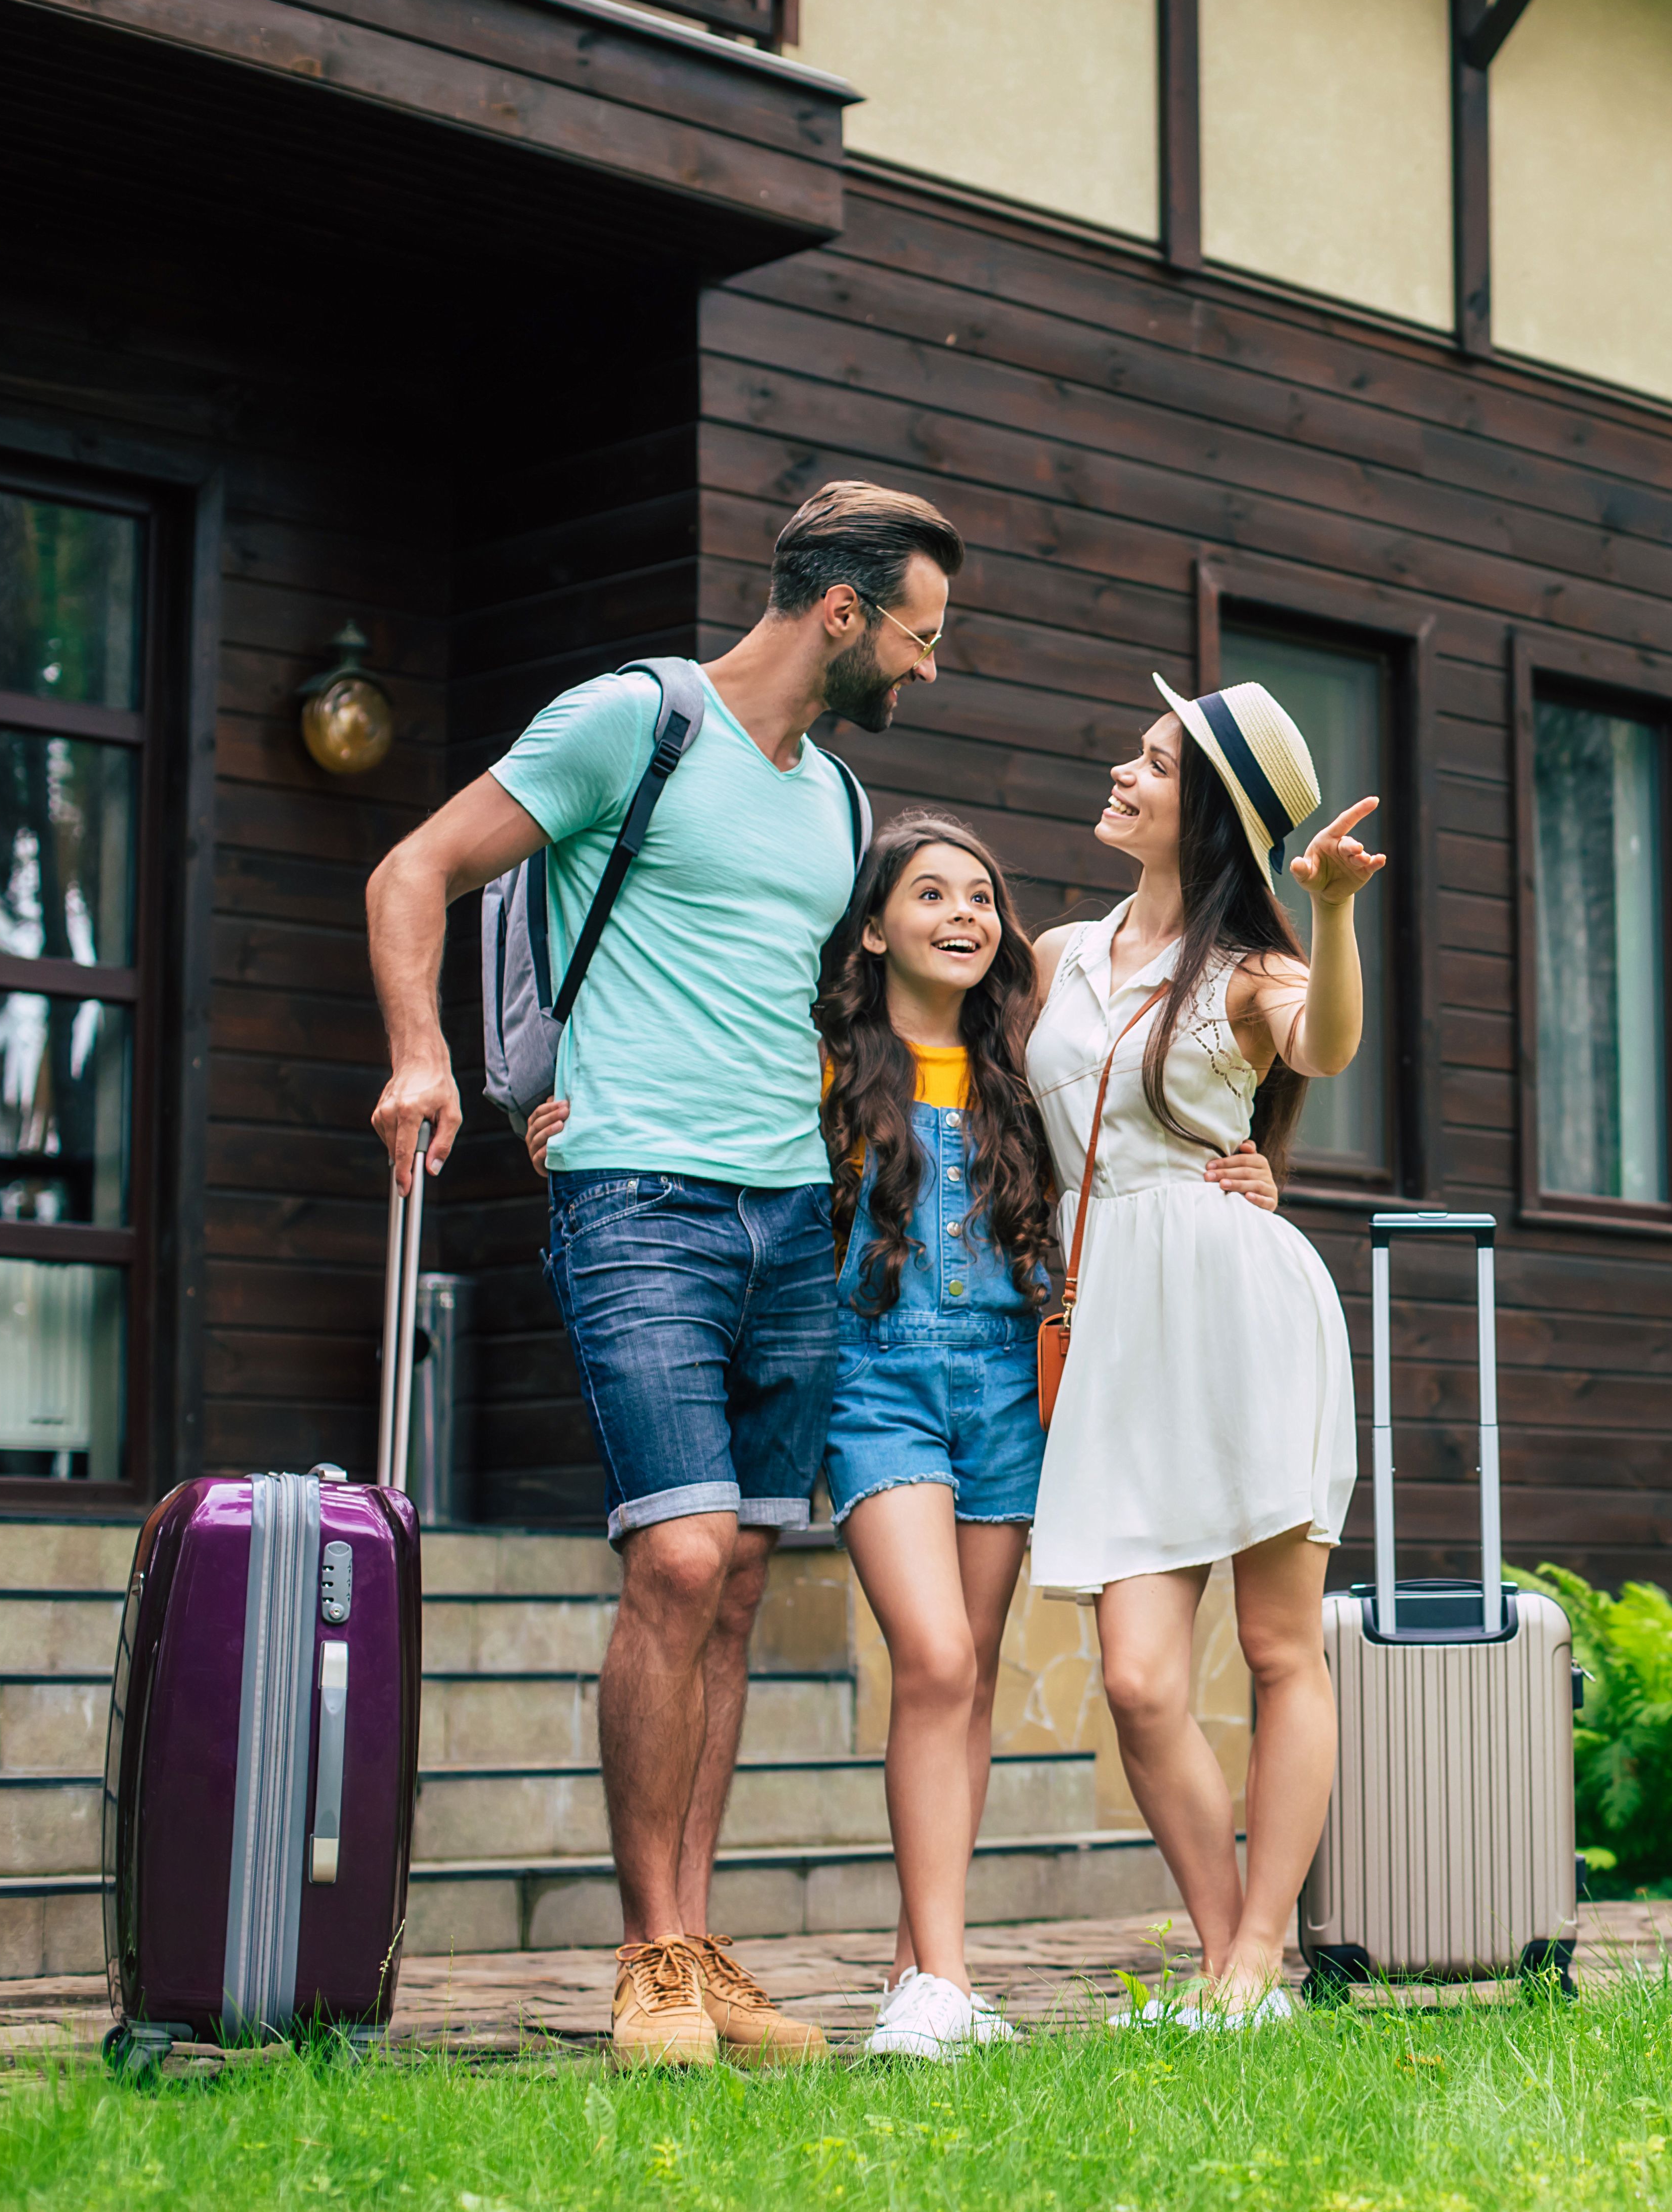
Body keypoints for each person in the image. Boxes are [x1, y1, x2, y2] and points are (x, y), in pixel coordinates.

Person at [365, 480, 960, 2069]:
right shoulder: (636, 722)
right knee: (681, 1560)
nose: (925, 668)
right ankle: (645, 1957)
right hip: (638, 1197)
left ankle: (697, 1948)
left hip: (793, 1216)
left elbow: (807, 1007)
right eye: (918, 634)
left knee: (750, 1573)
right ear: (843, 615)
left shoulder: (836, 806)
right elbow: (413, 870)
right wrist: (427, 1059)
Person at [529, 811, 1282, 2058]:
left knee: (972, 1669)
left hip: (1004, 1383)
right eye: (931, 894)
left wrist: (1257, 1168)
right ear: (874, 928)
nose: (965, 915)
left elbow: (1160, 1124)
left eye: (983, 896)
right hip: (873, 1386)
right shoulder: (818, 1060)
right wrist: (574, 1114)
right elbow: (694, 1102)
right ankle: (932, 1975)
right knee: (932, 1657)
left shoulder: (1023, 1067)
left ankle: (928, 1971)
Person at [1025, 673, 1384, 2023]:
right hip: (1111, 1315)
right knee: (1137, 1678)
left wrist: (1337, 910)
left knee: (1282, 1646)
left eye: (1157, 763)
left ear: (1212, 818)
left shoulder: (1257, 975)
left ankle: (1247, 1965)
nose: (1125, 771)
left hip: (1237, 1302)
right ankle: (1230, 1948)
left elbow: (1329, 1050)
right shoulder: (1059, 955)